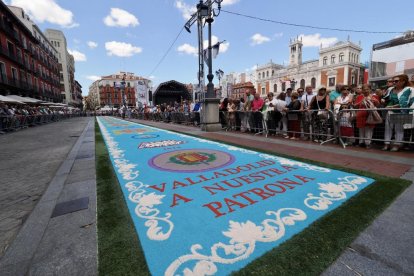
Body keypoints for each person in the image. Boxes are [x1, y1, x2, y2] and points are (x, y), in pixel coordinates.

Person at [382, 74, 414, 151]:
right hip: (390, 111)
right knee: (388, 128)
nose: (394, 82)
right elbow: (386, 98)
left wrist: (395, 106)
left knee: (399, 129)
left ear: (403, 81)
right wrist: (383, 100)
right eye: (393, 81)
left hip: (401, 112)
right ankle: (386, 144)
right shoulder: (390, 89)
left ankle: (397, 145)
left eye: (396, 81)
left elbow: (409, 102)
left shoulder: (409, 89)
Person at [354, 84, 380, 149]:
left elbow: (378, 105)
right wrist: (360, 103)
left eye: (367, 89)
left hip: (370, 115)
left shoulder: (374, 96)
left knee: (369, 129)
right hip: (361, 114)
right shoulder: (359, 97)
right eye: (364, 89)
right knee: (361, 129)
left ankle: (368, 143)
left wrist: (375, 101)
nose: (366, 91)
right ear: (362, 90)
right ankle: (361, 142)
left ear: (370, 89)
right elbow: (355, 106)